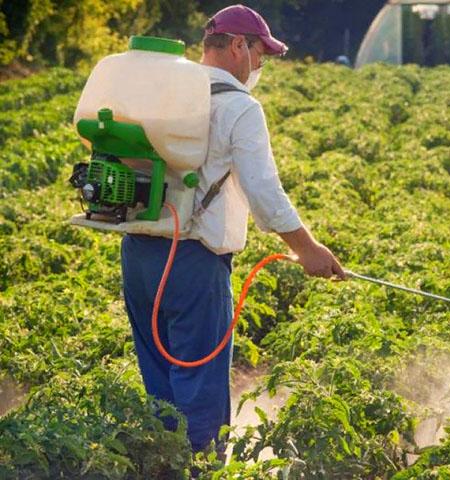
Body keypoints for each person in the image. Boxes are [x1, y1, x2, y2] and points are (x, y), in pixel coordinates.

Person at [120, 3, 346, 460]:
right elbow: (263, 191)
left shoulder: (164, 91)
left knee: (160, 385)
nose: (261, 65)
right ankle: (201, 468)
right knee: (198, 387)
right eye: (261, 54)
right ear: (239, 46)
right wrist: (308, 250)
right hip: (192, 265)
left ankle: (162, 465)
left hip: (139, 255)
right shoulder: (239, 108)